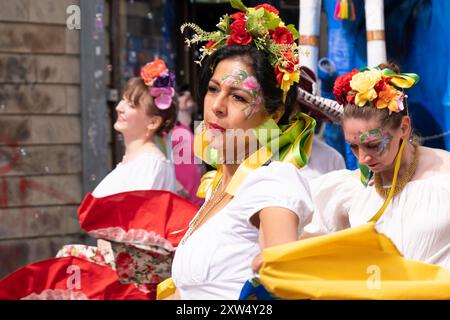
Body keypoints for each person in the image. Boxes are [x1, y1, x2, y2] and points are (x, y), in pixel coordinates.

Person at [162, 2, 315, 300]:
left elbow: (280, 287)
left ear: (274, 115)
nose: (217, 106)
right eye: (213, 88)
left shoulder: (274, 181)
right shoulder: (217, 185)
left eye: (239, 97)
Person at [301, 63, 450, 269]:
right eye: (353, 146)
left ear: (404, 128)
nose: (363, 159)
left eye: (373, 145)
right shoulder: (352, 188)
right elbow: (307, 239)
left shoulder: (444, 175)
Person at [92, 58, 177, 197]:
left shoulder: (150, 166)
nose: (119, 108)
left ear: (153, 122)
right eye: (123, 100)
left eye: (131, 105)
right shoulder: (140, 162)